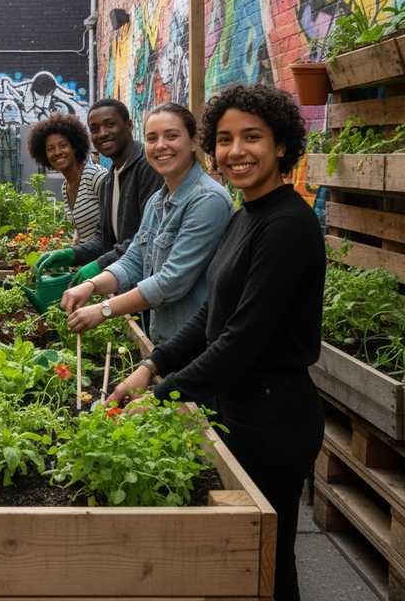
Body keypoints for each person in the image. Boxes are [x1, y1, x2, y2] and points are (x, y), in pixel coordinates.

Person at [108, 84, 325, 601]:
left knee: (267, 566)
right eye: (225, 140)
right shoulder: (246, 213)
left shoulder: (287, 226)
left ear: (281, 146)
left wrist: (159, 395)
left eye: (252, 137)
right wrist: (150, 366)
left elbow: (240, 340)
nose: (236, 151)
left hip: (274, 419)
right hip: (238, 408)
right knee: (240, 561)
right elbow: (212, 312)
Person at [61, 102, 232, 343]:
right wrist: (90, 285)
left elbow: (171, 281)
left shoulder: (208, 200)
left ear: (193, 141)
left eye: (172, 136)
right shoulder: (157, 201)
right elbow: (134, 260)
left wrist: (104, 309)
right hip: (166, 340)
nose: (160, 145)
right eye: (152, 138)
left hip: (197, 346)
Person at [35, 98, 162, 285]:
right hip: (126, 281)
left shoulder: (146, 167)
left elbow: (146, 238)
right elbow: (104, 237)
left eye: (110, 125)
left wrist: (99, 265)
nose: (102, 133)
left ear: (128, 126)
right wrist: (73, 254)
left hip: (149, 284)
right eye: (94, 129)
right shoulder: (111, 178)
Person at [26, 113, 107, 242]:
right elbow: (81, 229)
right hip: (86, 257)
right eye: (50, 149)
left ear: (74, 147)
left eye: (63, 145)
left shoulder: (96, 177)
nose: (57, 152)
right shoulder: (66, 187)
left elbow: (116, 228)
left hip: (106, 260)